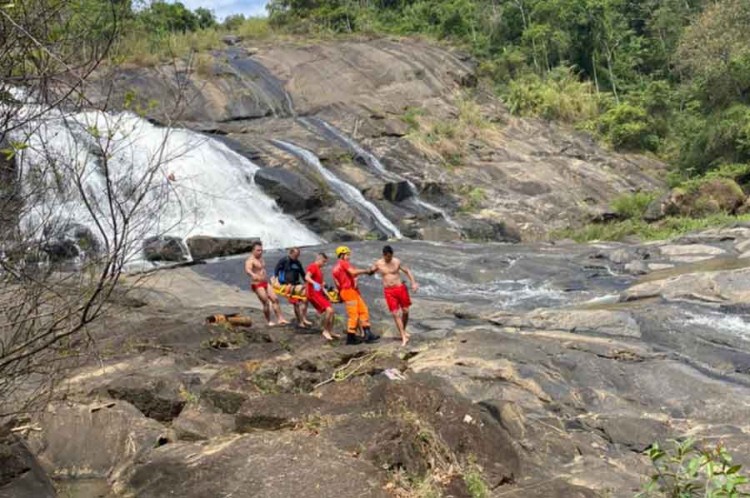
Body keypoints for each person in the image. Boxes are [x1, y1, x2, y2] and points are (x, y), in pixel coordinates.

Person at [370, 245, 418, 346]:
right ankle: (403, 336)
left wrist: (413, 283)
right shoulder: (378, 263)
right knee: (395, 314)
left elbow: (407, 271)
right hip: (389, 291)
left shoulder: (397, 261)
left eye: (391, 256)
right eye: (388, 257)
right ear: (384, 255)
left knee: (405, 311)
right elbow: (370, 271)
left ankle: (403, 331)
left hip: (400, 288)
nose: (389, 258)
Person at [331, 246, 379, 345]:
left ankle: (367, 334)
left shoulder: (335, 268)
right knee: (354, 315)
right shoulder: (343, 263)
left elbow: (337, 283)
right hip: (348, 291)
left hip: (350, 291)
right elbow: (353, 272)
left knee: (363, 310)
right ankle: (351, 338)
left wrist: (340, 295)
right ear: (342, 255)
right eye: (347, 255)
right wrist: (366, 271)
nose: (349, 257)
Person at [244, 241, 288, 326]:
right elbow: (247, 269)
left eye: (261, 250)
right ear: (253, 250)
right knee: (266, 302)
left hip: (265, 282)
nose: (260, 252)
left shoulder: (261, 258)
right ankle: (269, 321)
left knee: (275, 299)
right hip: (257, 284)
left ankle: (280, 319)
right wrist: (253, 274)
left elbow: (262, 270)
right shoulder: (250, 260)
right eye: (258, 250)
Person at [273, 247, 312, 327]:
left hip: (297, 283)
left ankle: (303, 318)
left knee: (305, 300)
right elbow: (276, 270)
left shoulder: (297, 262)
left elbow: (303, 274)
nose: (296, 257)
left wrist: (307, 283)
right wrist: (276, 280)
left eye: (298, 255)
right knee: (296, 303)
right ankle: (300, 321)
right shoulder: (284, 260)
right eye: (295, 255)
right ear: (290, 253)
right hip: (287, 285)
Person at [304, 252, 339, 341]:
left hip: (319, 293)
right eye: (324, 261)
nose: (325, 264)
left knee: (332, 311)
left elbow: (322, 284)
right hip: (313, 294)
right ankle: (325, 331)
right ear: (319, 259)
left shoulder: (319, 270)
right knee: (329, 310)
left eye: (325, 262)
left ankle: (330, 331)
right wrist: (314, 283)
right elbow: (307, 277)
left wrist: (328, 292)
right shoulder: (313, 266)